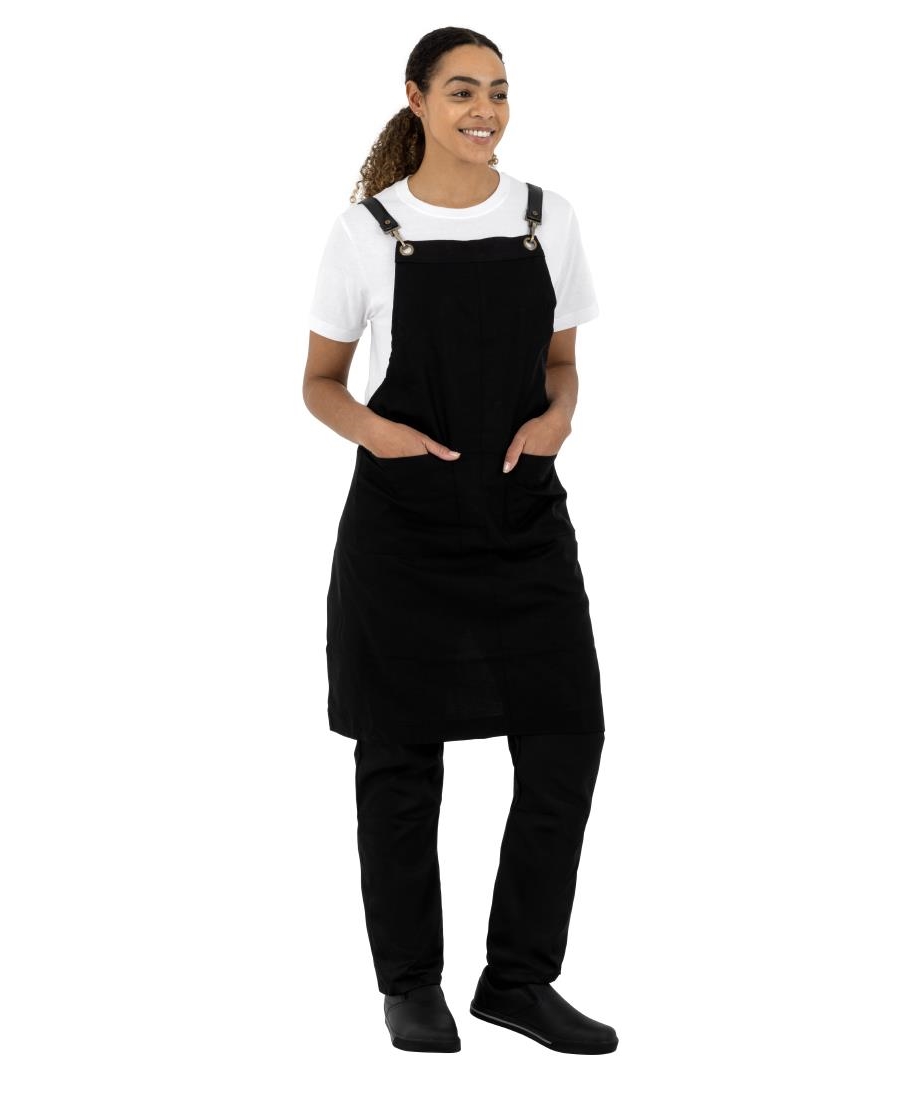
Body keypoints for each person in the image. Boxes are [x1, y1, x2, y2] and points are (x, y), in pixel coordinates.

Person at [302, 27, 618, 1056]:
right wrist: (379, 433)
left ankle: (517, 979)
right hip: (404, 532)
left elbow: (561, 359)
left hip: (523, 521)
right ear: (417, 99)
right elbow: (319, 384)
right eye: (462, 92)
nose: (485, 111)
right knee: (401, 757)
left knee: (567, 736)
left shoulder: (545, 219)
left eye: (499, 92)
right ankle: (410, 986)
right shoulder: (367, 231)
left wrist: (559, 416)